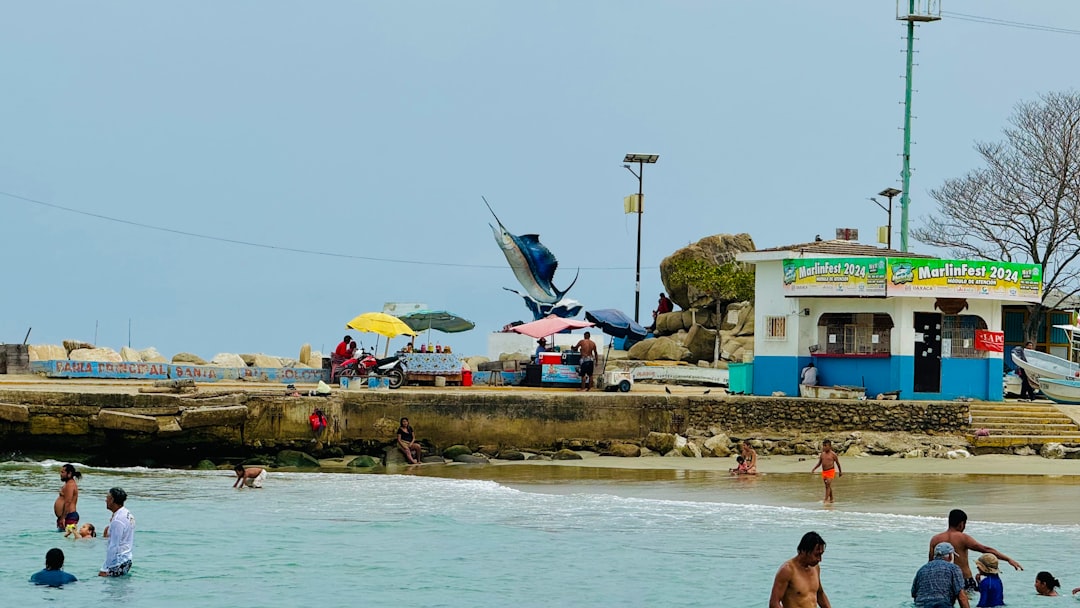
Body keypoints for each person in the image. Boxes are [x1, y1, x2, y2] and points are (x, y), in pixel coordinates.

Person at [928, 509, 1023, 592]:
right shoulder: (963, 538)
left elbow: (930, 563)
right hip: (964, 579)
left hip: (942, 581)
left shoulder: (935, 539)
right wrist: (1008, 559)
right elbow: (986, 549)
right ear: (961, 524)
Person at [768, 531, 832, 608]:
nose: (819, 559)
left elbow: (820, 594)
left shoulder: (815, 568)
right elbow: (774, 603)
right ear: (803, 551)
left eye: (821, 554)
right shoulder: (788, 570)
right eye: (816, 555)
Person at [912, 542, 970, 608]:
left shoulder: (922, 569)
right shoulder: (953, 568)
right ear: (950, 555)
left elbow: (914, 593)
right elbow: (961, 596)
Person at [99, 487, 134, 577]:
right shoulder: (127, 513)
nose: (105, 500)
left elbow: (114, 545)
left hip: (118, 562)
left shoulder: (118, 520)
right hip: (126, 559)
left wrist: (106, 568)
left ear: (112, 500)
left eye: (107, 498)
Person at [54, 463, 80, 531]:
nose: (60, 474)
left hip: (69, 517)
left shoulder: (70, 485)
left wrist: (63, 518)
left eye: (63, 472)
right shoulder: (68, 484)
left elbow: (68, 502)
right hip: (67, 517)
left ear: (69, 473)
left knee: (68, 538)